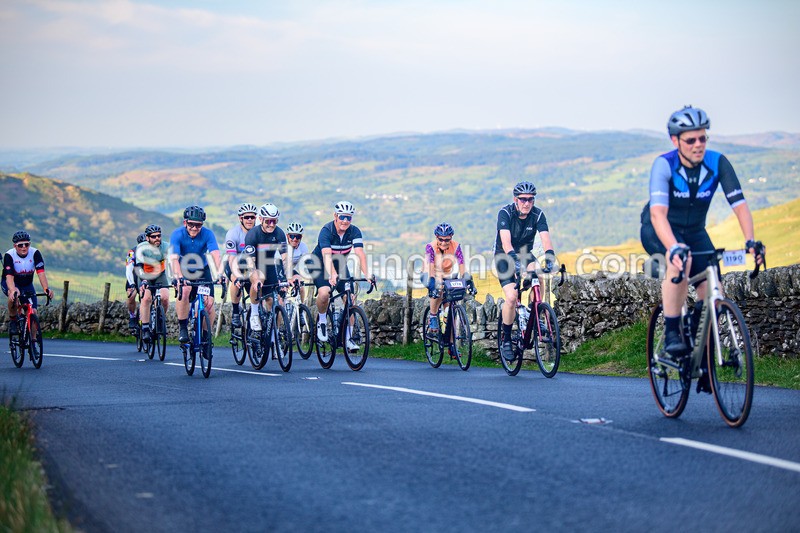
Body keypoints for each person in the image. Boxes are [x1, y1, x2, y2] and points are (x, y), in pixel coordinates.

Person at [640, 106, 765, 388]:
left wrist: (750, 241)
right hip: (659, 229)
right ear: (676, 141)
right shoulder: (664, 165)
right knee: (679, 264)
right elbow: (658, 214)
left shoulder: (717, 162)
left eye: (702, 139)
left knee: (711, 288)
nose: (698, 145)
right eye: (691, 140)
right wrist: (672, 247)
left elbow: (740, 204)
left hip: (695, 232)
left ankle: (703, 357)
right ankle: (672, 331)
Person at [494, 181, 557, 362]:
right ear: (516, 199)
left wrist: (550, 257)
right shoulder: (505, 213)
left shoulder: (538, 215)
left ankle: (533, 313)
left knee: (539, 276)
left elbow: (546, 239)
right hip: (505, 256)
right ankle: (506, 339)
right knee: (512, 297)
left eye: (531, 199)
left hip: (525, 254)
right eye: (523, 199)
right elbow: (505, 242)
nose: (527, 203)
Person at [310, 201, 375, 349]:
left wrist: (368, 274)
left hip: (340, 266)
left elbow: (360, 253)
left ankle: (348, 338)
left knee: (350, 299)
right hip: (319, 265)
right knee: (324, 293)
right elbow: (326, 256)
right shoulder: (326, 230)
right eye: (342, 217)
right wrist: (332, 275)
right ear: (335, 216)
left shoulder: (355, 232)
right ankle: (322, 322)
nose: (345, 221)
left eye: (349, 218)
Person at [169, 205, 225, 343]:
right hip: (183, 269)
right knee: (185, 289)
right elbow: (174, 258)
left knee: (209, 305)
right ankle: (183, 328)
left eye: (198, 225)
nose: (194, 228)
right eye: (191, 224)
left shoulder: (207, 234)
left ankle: (206, 336)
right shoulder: (177, 234)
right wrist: (179, 278)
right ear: (185, 223)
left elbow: (216, 255)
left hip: (202, 271)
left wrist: (220, 274)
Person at [243, 203, 292, 337]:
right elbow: (250, 263)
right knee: (259, 277)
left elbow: (285, 259)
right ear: (261, 219)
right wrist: (256, 279)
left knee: (274, 301)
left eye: (274, 221)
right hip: (251, 264)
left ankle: (273, 335)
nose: (271, 224)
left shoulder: (279, 233)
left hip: (268, 264)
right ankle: (254, 313)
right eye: (268, 221)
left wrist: (288, 278)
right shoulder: (253, 235)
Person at [3, 231, 54, 335]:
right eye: (20, 245)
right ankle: (13, 320)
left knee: (33, 312)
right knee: (14, 296)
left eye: (26, 244)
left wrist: (46, 289)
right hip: (12, 282)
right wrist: (12, 291)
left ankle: (33, 342)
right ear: (15, 246)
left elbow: (41, 273)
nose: (24, 247)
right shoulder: (9, 255)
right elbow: (9, 277)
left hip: (27, 284)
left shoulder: (35, 253)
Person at [423, 222, 467, 333]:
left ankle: (451, 347)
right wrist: (433, 284)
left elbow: (462, 264)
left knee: (450, 311)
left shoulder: (456, 246)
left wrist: (467, 280)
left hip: (446, 274)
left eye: (447, 240)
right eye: (441, 239)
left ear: (451, 238)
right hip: (428, 273)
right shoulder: (430, 247)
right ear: (436, 237)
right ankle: (433, 316)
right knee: (438, 288)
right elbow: (431, 268)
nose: (444, 242)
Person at [225, 202, 258, 328]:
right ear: (241, 218)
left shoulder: (258, 232)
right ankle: (235, 311)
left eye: (252, 217)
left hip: (251, 265)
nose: (249, 220)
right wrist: (237, 274)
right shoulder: (233, 233)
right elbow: (232, 258)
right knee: (236, 280)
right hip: (234, 264)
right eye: (246, 217)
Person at [135, 224, 171, 341]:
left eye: (159, 236)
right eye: (154, 236)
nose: (157, 239)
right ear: (147, 238)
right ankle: (145, 328)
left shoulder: (166, 246)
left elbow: (172, 262)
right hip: (145, 275)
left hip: (160, 274)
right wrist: (144, 281)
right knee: (146, 299)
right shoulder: (141, 248)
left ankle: (160, 321)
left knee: (165, 297)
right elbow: (139, 266)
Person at [125, 233, 146, 332]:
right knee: (131, 295)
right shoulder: (132, 252)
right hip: (134, 276)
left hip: (147, 277)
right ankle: (132, 316)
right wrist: (132, 283)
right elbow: (129, 269)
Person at [285, 222, 309, 301]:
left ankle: (301, 309)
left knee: (301, 286)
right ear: (287, 236)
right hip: (279, 271)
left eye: (297, 236)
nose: (294, 239)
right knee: (283, 291)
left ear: (301, 237)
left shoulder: (303, 246)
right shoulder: (283, 246)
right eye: (292, 236)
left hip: (291, 270)